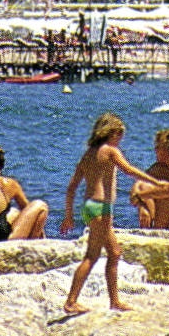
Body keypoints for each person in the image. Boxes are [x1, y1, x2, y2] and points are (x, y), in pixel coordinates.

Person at [61, 112, 157, 314]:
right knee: (91, 256)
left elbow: (71, 188)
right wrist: (155, 181)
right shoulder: (110, 151)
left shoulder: (88, 154)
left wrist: (68, 216)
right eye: (120, 135)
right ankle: (71, 301)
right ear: (112, 133)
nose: (120, 139)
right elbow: (129, 170)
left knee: (114, 253)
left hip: (89, 207)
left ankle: (114, 301)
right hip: (101, 208)